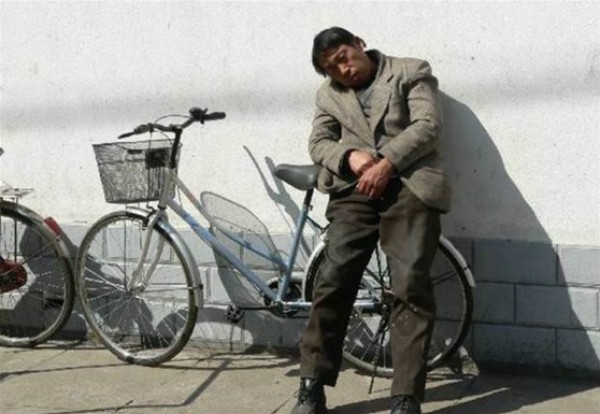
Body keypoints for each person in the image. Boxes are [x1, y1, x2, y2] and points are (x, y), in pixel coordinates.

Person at [291, 27, 451, 414]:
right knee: (333, 278)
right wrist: (349, 157)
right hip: (355, 189)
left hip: (408, 184)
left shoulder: (410, 70)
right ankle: (312, 385)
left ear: (359, 44)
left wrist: (387, 163)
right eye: (332, 68)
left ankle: (406, 397)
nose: (343, 70)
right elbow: (318, 143)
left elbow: (428, 126)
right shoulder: (328, 94)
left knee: (409, 284)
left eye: (344, 57)